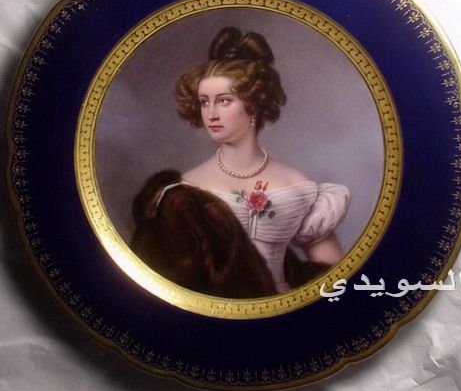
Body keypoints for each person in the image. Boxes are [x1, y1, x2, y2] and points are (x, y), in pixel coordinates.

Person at [131, 27, 350, 297]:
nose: (211, 114)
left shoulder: (298, 185)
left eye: (224, 101)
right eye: (204, 102)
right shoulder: (185, 191)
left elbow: (336, 280)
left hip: (286, 312)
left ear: (253, 104)